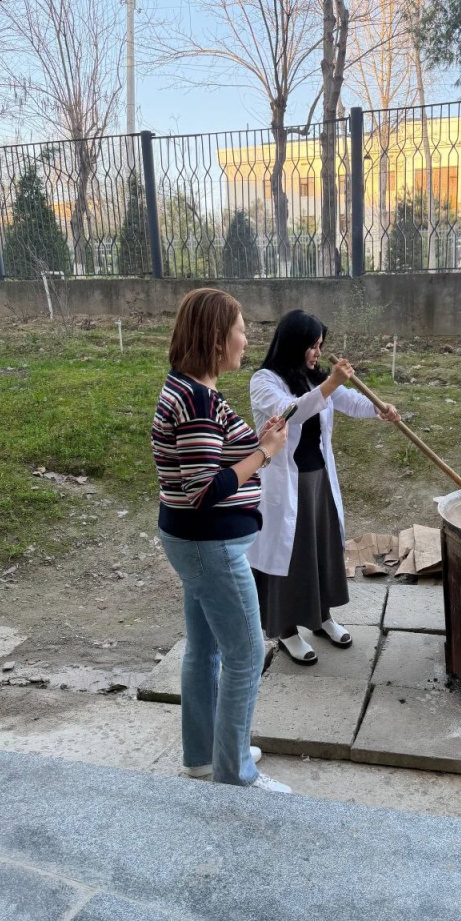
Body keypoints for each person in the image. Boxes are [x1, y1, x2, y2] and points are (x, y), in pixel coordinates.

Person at [151, 288, 292, 792]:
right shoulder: (194, 399)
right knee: (246, 654)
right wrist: (267, 454)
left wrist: (259, 440)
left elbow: (211, 460)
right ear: (216, 338)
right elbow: (204, 490)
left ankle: (204, 757)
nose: (246, 337)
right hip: (209, 545)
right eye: (239, 328)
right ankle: (235, 773)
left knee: (206, 649)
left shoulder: (193, 389)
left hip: (194, 543)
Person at [248, 309, 400, 665]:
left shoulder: (314, 376)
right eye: (312, 346)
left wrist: (379, 408)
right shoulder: (265, 380)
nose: (317, 353)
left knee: (320, 550)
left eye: (320, 346)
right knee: (292, 556)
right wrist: (329, 383)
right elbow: (291, 412)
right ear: (294, 343)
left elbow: (348, 400)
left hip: (318, 481)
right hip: (286, 485)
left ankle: (321, 618)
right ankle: (286, 630)